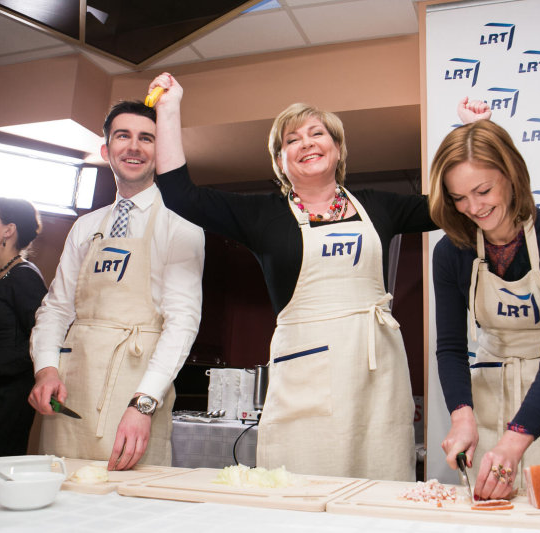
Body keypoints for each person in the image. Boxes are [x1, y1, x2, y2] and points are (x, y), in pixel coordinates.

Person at [148, 72, 436, 481]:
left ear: (338, 149)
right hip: (306, 373)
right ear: (280, 160)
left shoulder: (379, 206)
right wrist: (170, 107)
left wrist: (472, 133)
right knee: (301, 478)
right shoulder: (261, 214)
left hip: (377, 370)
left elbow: (453, 203)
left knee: (381, 474)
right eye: (292, 140)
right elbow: (179, 194)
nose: (306, 143)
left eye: (317, 133)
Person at [429, 100, 540, 501]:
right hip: (488, 396)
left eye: (483, 190)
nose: (473, 208)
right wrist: (462, 415)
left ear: (511, 175)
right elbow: (451, 348)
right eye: (459, 198)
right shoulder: (451, 251)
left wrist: (513, 442)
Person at [28, 101, 205, 470]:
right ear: (107, 150)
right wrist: (46, 368)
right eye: (123, 136)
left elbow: (182, 322)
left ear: (162, 150)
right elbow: (57, 308)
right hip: (71, 388)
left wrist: (144, 402)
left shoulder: (182, 224)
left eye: (147, 138)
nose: (134, 147)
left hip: (136, 390)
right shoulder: (84, 225)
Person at [0, 198, 47, 456]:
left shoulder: (24, 276)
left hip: (10, 397)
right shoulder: (2, 274)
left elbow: (42, 336)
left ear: (8, 230)